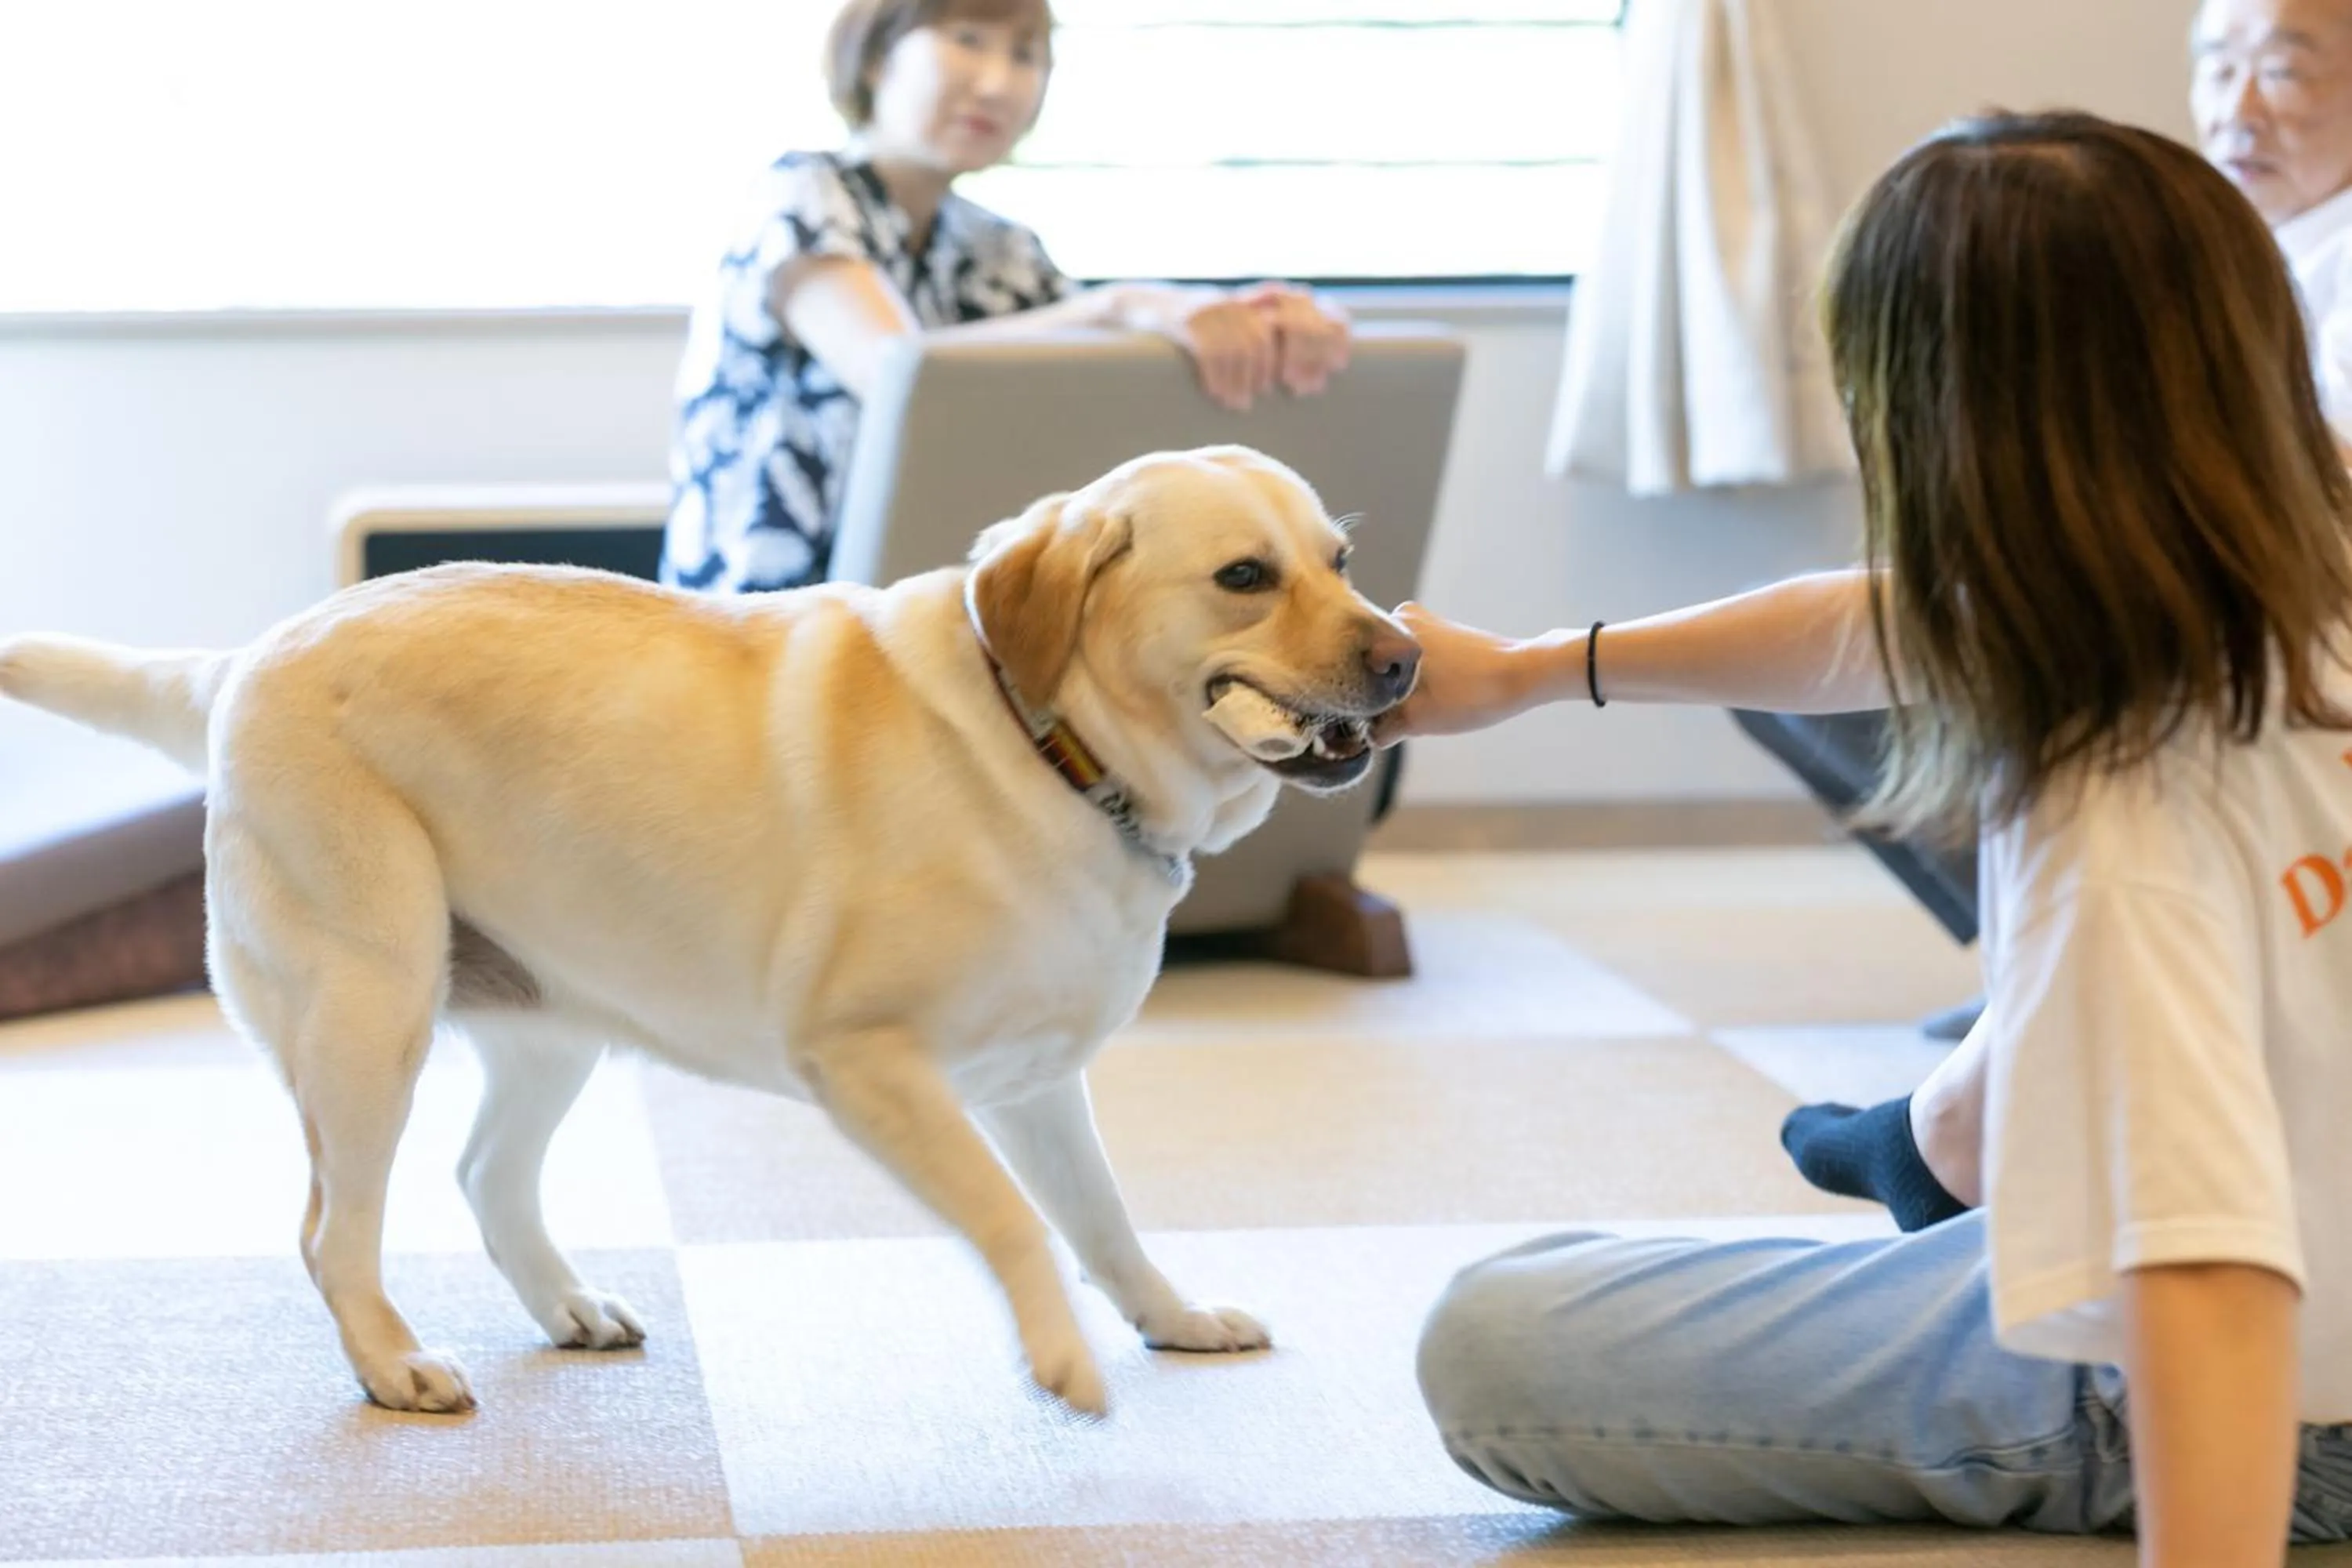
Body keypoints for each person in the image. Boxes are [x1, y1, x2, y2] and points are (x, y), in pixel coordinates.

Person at [1385, 111, 2352, 1563]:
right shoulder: (2299, 560)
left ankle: (1953, 1152)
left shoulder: (2122, 816)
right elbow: (1907, 614)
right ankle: (1946, 1140)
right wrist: (1531, 668)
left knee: (1499, 1338)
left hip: (2293, 1409)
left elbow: (2210, 1287)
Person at [1733, 0, 2352, 1047]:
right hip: (2208, 625)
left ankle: (2075, 979)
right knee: (1808, 671)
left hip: (2273, 655)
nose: (2238, 109)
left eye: (2286, 72)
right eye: (2217, 67)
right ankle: (2051, 969)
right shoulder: (2221, 245)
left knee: (1911, 652)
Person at [661, 0, 1352, 594]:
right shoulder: (802, 192)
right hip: (757, 624)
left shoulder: (999, 247)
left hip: (918, 610)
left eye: (1026, 54)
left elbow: (1112, 375)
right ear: (875, 60)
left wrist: (1270, 323)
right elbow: (895, 371)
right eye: (966, 41)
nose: (997, 84)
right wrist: (1119, 304)